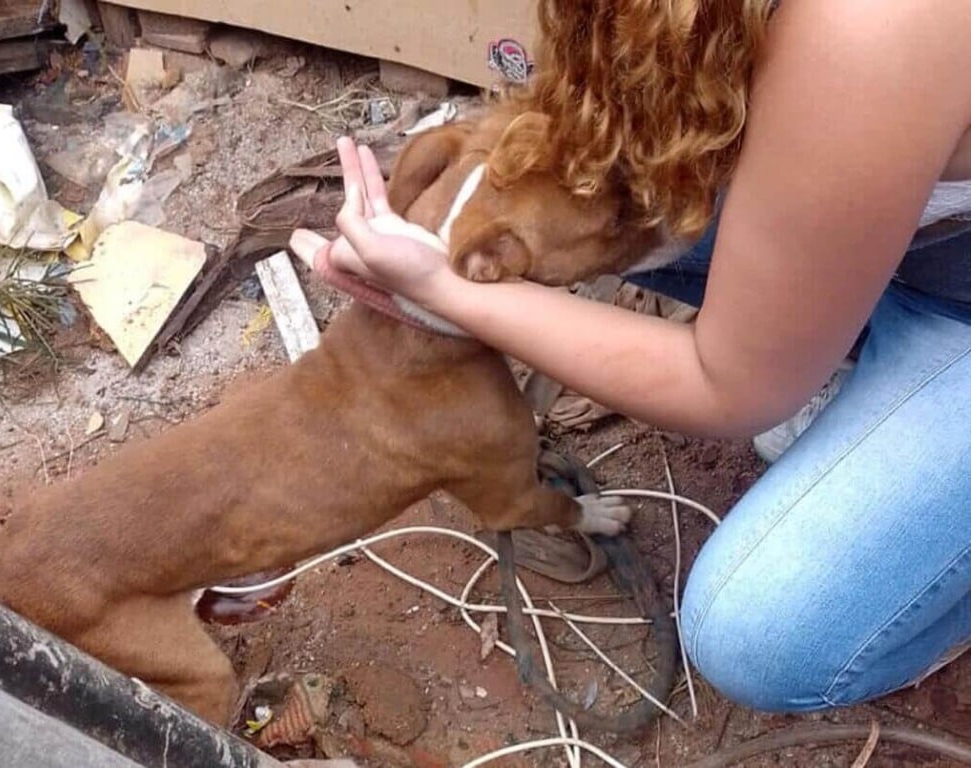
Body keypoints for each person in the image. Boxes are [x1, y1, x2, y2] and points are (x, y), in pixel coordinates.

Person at [289, 0, 971, 713]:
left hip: (953, 298)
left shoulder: (870, 32)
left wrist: (443, 290)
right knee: (620, 176)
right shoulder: (694, 23)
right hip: (905, 224)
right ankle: (846, 353)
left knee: (759, 635)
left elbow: (728, 388)